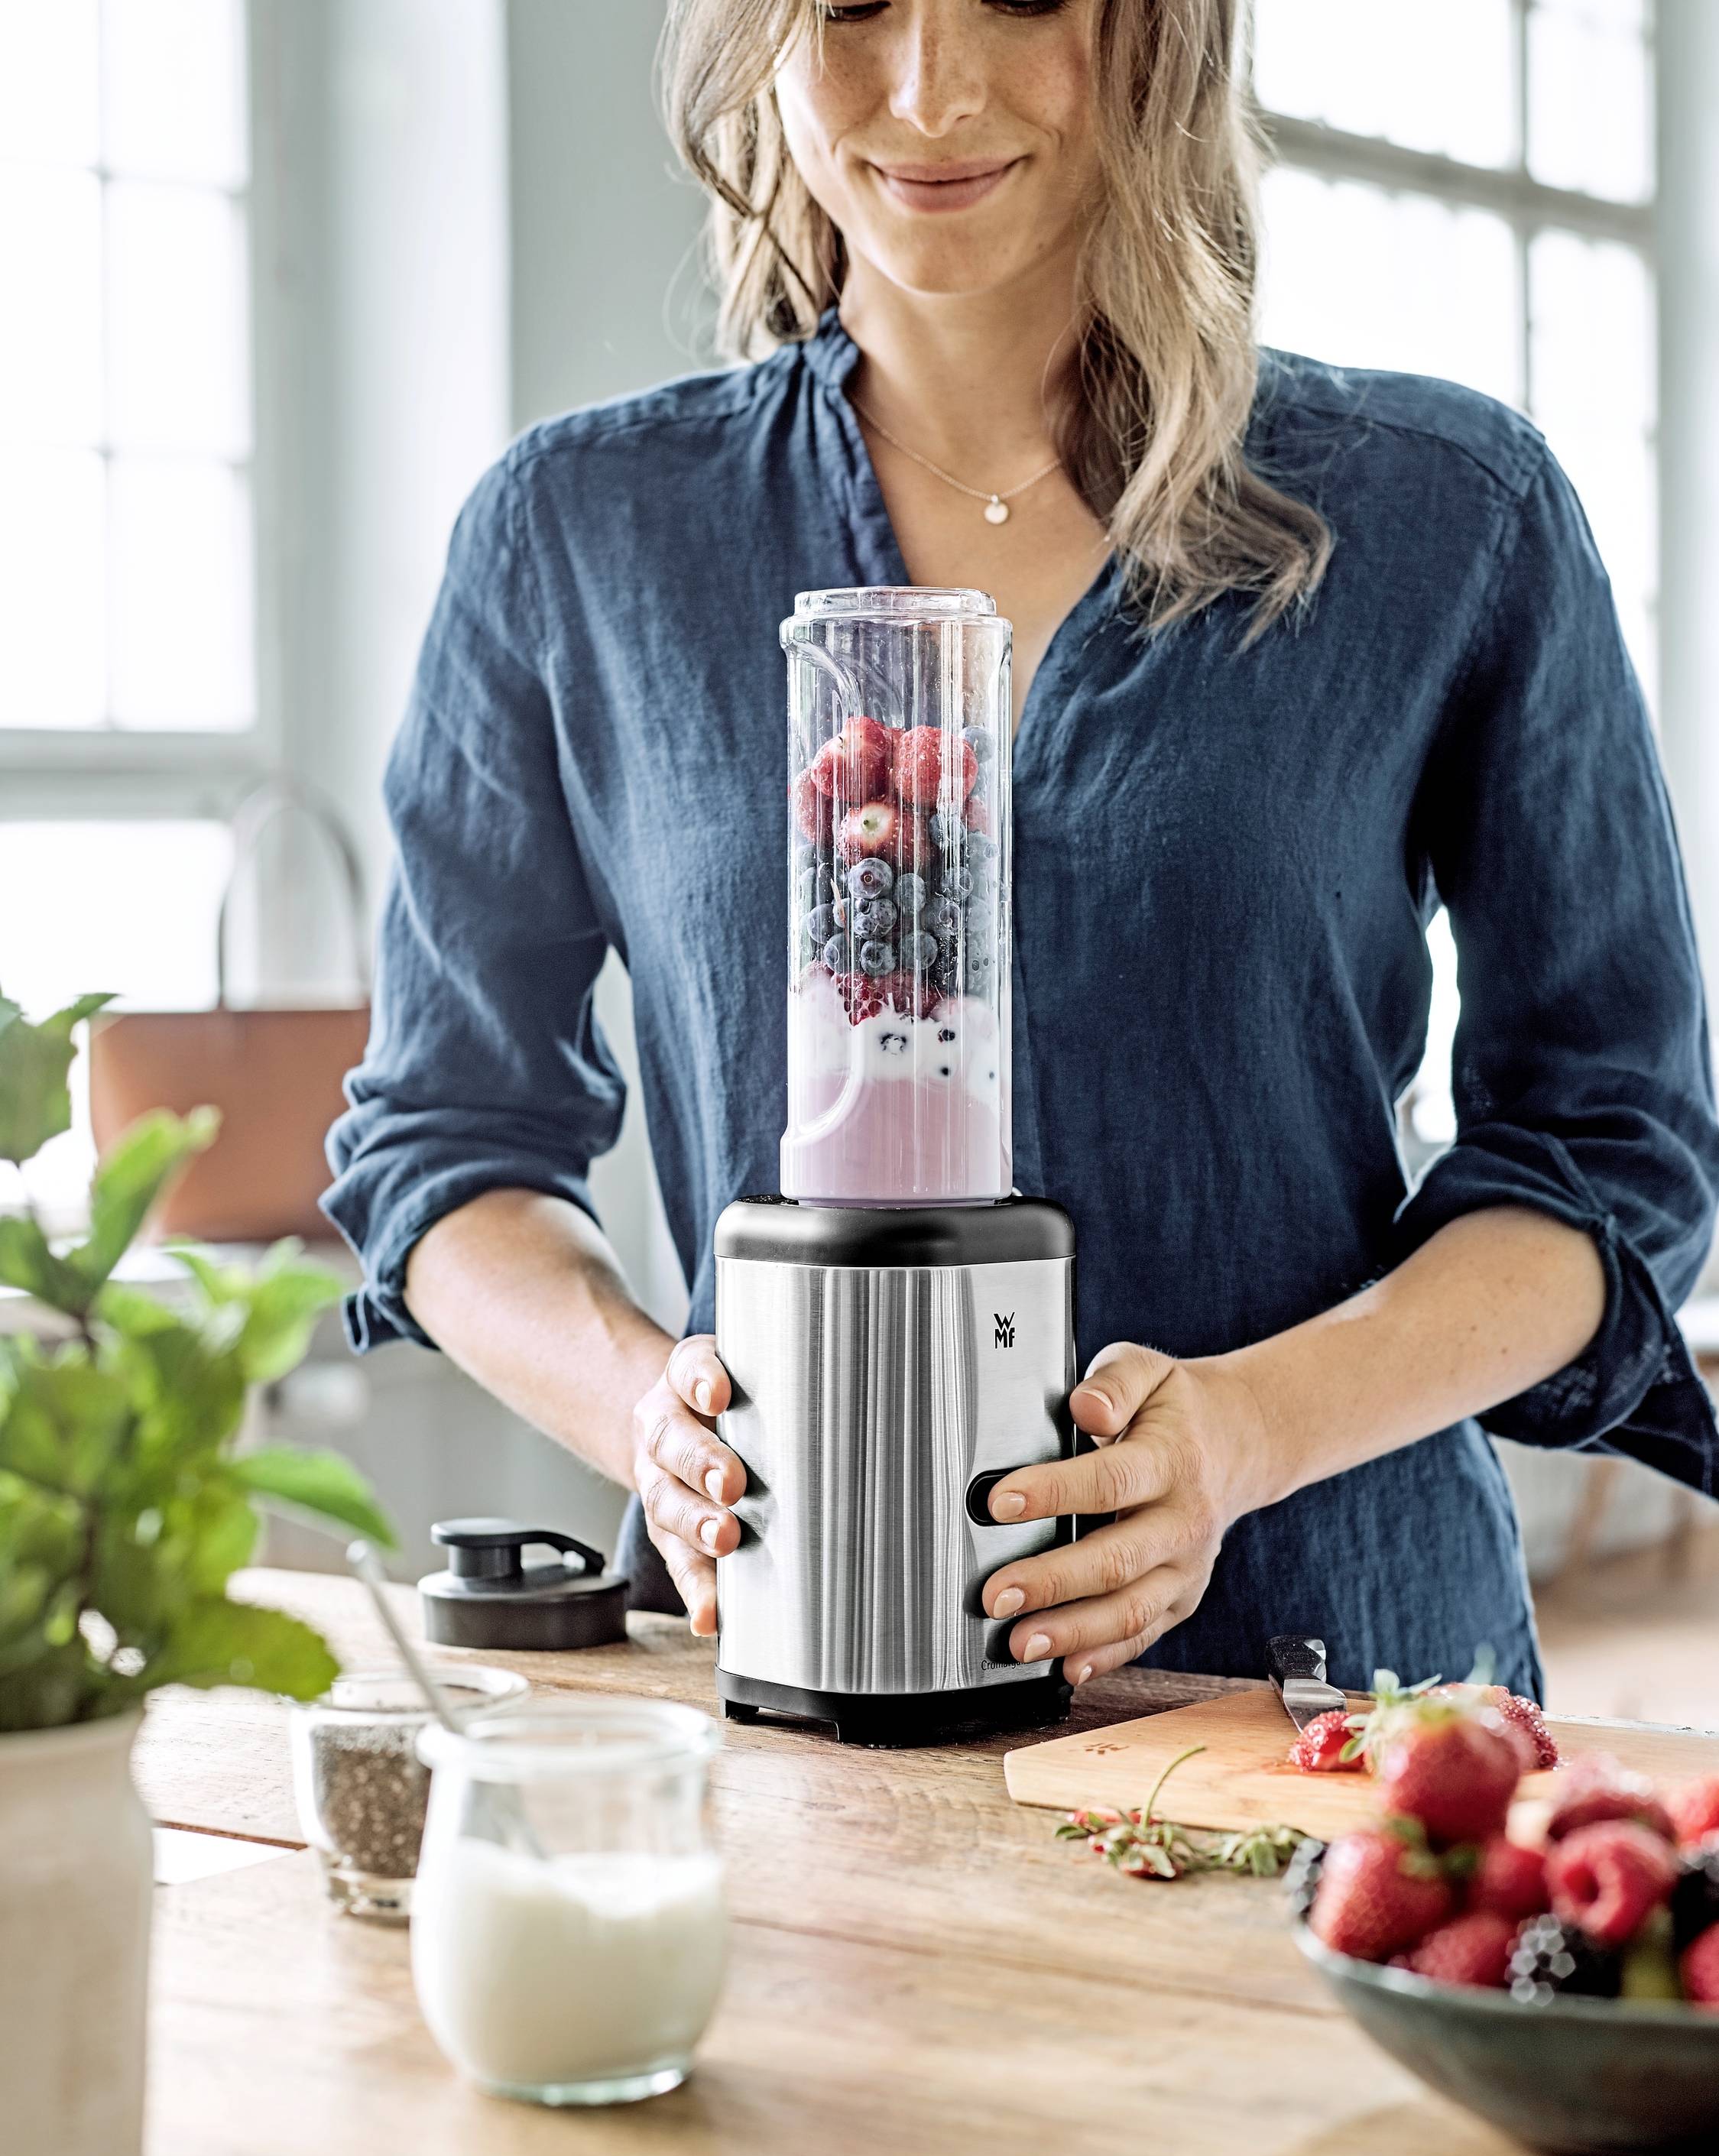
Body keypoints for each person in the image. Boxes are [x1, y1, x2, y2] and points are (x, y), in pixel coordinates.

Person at [325, 0, 1718, 1697]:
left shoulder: (1454, 516)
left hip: (1340, 1686)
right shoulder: (576, 536)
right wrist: (645, 1408)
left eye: (1025, 0)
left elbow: (1615, 1152)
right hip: (788, 1673)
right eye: (848, 9)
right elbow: (447, 1140)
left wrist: (1249, 1434)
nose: (930, 90)